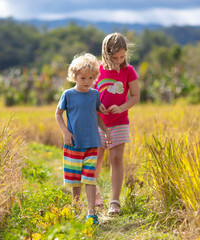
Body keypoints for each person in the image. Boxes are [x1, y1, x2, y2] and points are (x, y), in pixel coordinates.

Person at [55, 53, 112, 225]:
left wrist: (106, 131)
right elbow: (58, 114)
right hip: (73, 143)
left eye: (90, 78)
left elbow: (97, 114)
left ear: (95, 77)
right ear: (74, 76)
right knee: (75, 179)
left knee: (90, 178)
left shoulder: (94, 95)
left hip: (92, 142)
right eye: (83, 78)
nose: (87, 81)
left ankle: (91, 213)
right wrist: (65, 132)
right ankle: (75, 208)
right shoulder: (68, 94)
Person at [94, 32, 140, 215]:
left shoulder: (129, 71)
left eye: (122, 57)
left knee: (116, 159)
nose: (119, 61)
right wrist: (97, 106)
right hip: (97, 121)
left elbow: (135, 96)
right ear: (105, 54)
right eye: (115, 58)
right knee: (96, 158)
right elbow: (89, 93)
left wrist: (121, 108)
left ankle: (115, 201)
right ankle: (95, 194)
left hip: (119, 121)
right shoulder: (96, 70)